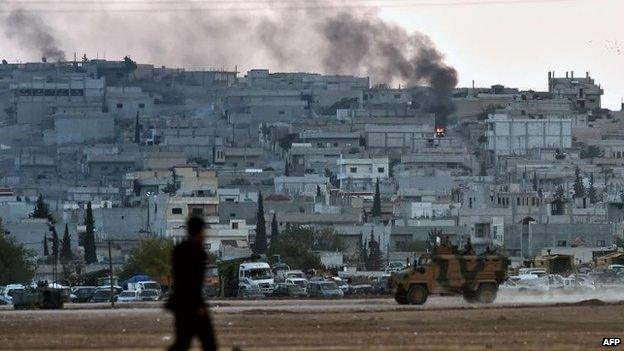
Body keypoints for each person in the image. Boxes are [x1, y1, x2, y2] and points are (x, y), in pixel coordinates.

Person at [167, 216, 217, 351]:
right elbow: (192, 283)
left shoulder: (180, 249)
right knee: (207, 343)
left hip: (182, 304)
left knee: (183, 342)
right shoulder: (197, 253)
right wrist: (199, 306)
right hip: (191, 305)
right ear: (200, 231)